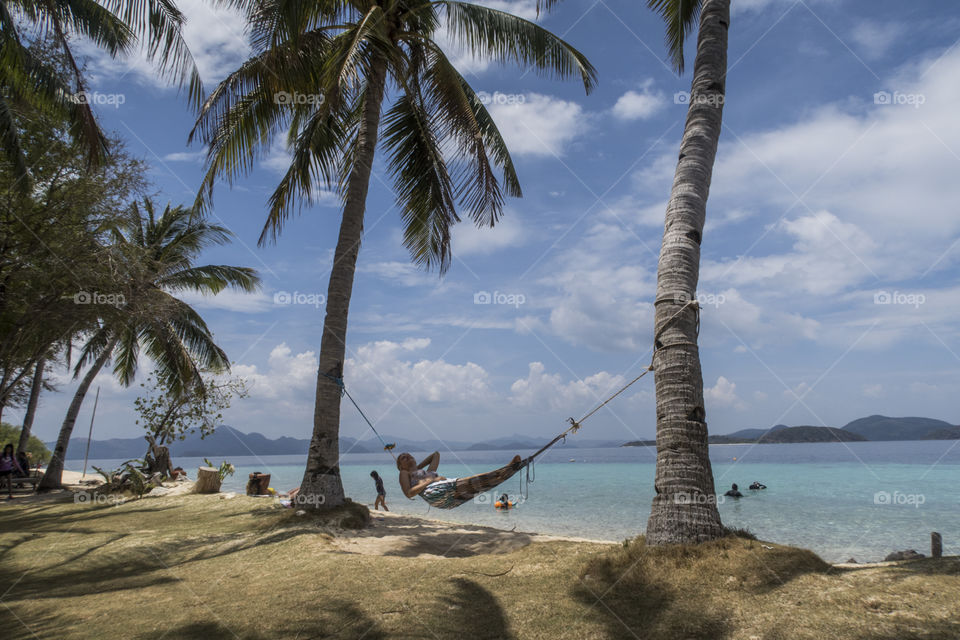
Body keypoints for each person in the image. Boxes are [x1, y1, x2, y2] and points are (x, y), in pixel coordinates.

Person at [397, 451, 522, 499]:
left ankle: (506, 469)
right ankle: (506, 468)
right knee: (478, 481)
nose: (407, 456)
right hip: (437, 490)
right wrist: (430, 480)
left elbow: (436, 455)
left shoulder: (424, 472)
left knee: (480, 484)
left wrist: (417, 468)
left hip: (447, 488)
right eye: (403, 457)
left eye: (408, 454)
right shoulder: (404, 473)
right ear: (401, 466)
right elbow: (409, 493)